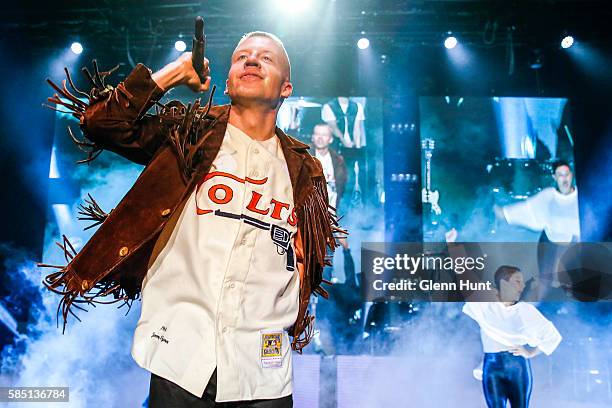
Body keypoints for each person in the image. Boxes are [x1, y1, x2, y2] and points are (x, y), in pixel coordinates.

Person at [42, 30, 342, 407]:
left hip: (263, 371)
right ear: (228, 83)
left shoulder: (303, 169)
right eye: (241, 57)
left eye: (265, 58)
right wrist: (174, 74)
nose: (251, 60)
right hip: (181, 353)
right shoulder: (191, 133)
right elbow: (104, 123)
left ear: (285, 88)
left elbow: (306, 258)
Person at [463, 266, 562, 408]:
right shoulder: (485, 304)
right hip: (492, 367)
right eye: (518, 281)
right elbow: (464, 274)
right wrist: (452, 245)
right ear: (504, 283)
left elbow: (551, 336)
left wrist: (531, 352)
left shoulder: (525, 311)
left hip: (517, 368)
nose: (522, 286)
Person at [494, 160, 579, 242]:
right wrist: (500, 212)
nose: (564, 179)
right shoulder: (548, 196)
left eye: (566, 174)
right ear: (555, 177)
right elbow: (527, 210)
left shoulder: (582, 194)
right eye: (560, 175)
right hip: (554, 248)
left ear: (571, 175)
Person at [321, 97, 366, 208]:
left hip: (350, 149)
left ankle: (345, 208)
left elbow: (357, 129)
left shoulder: (357, 107)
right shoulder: (329, 106)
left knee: (349, 177)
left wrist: (357, 148)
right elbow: (333, 127)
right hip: (335, 147)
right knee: (333, 177)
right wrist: (343, 139)